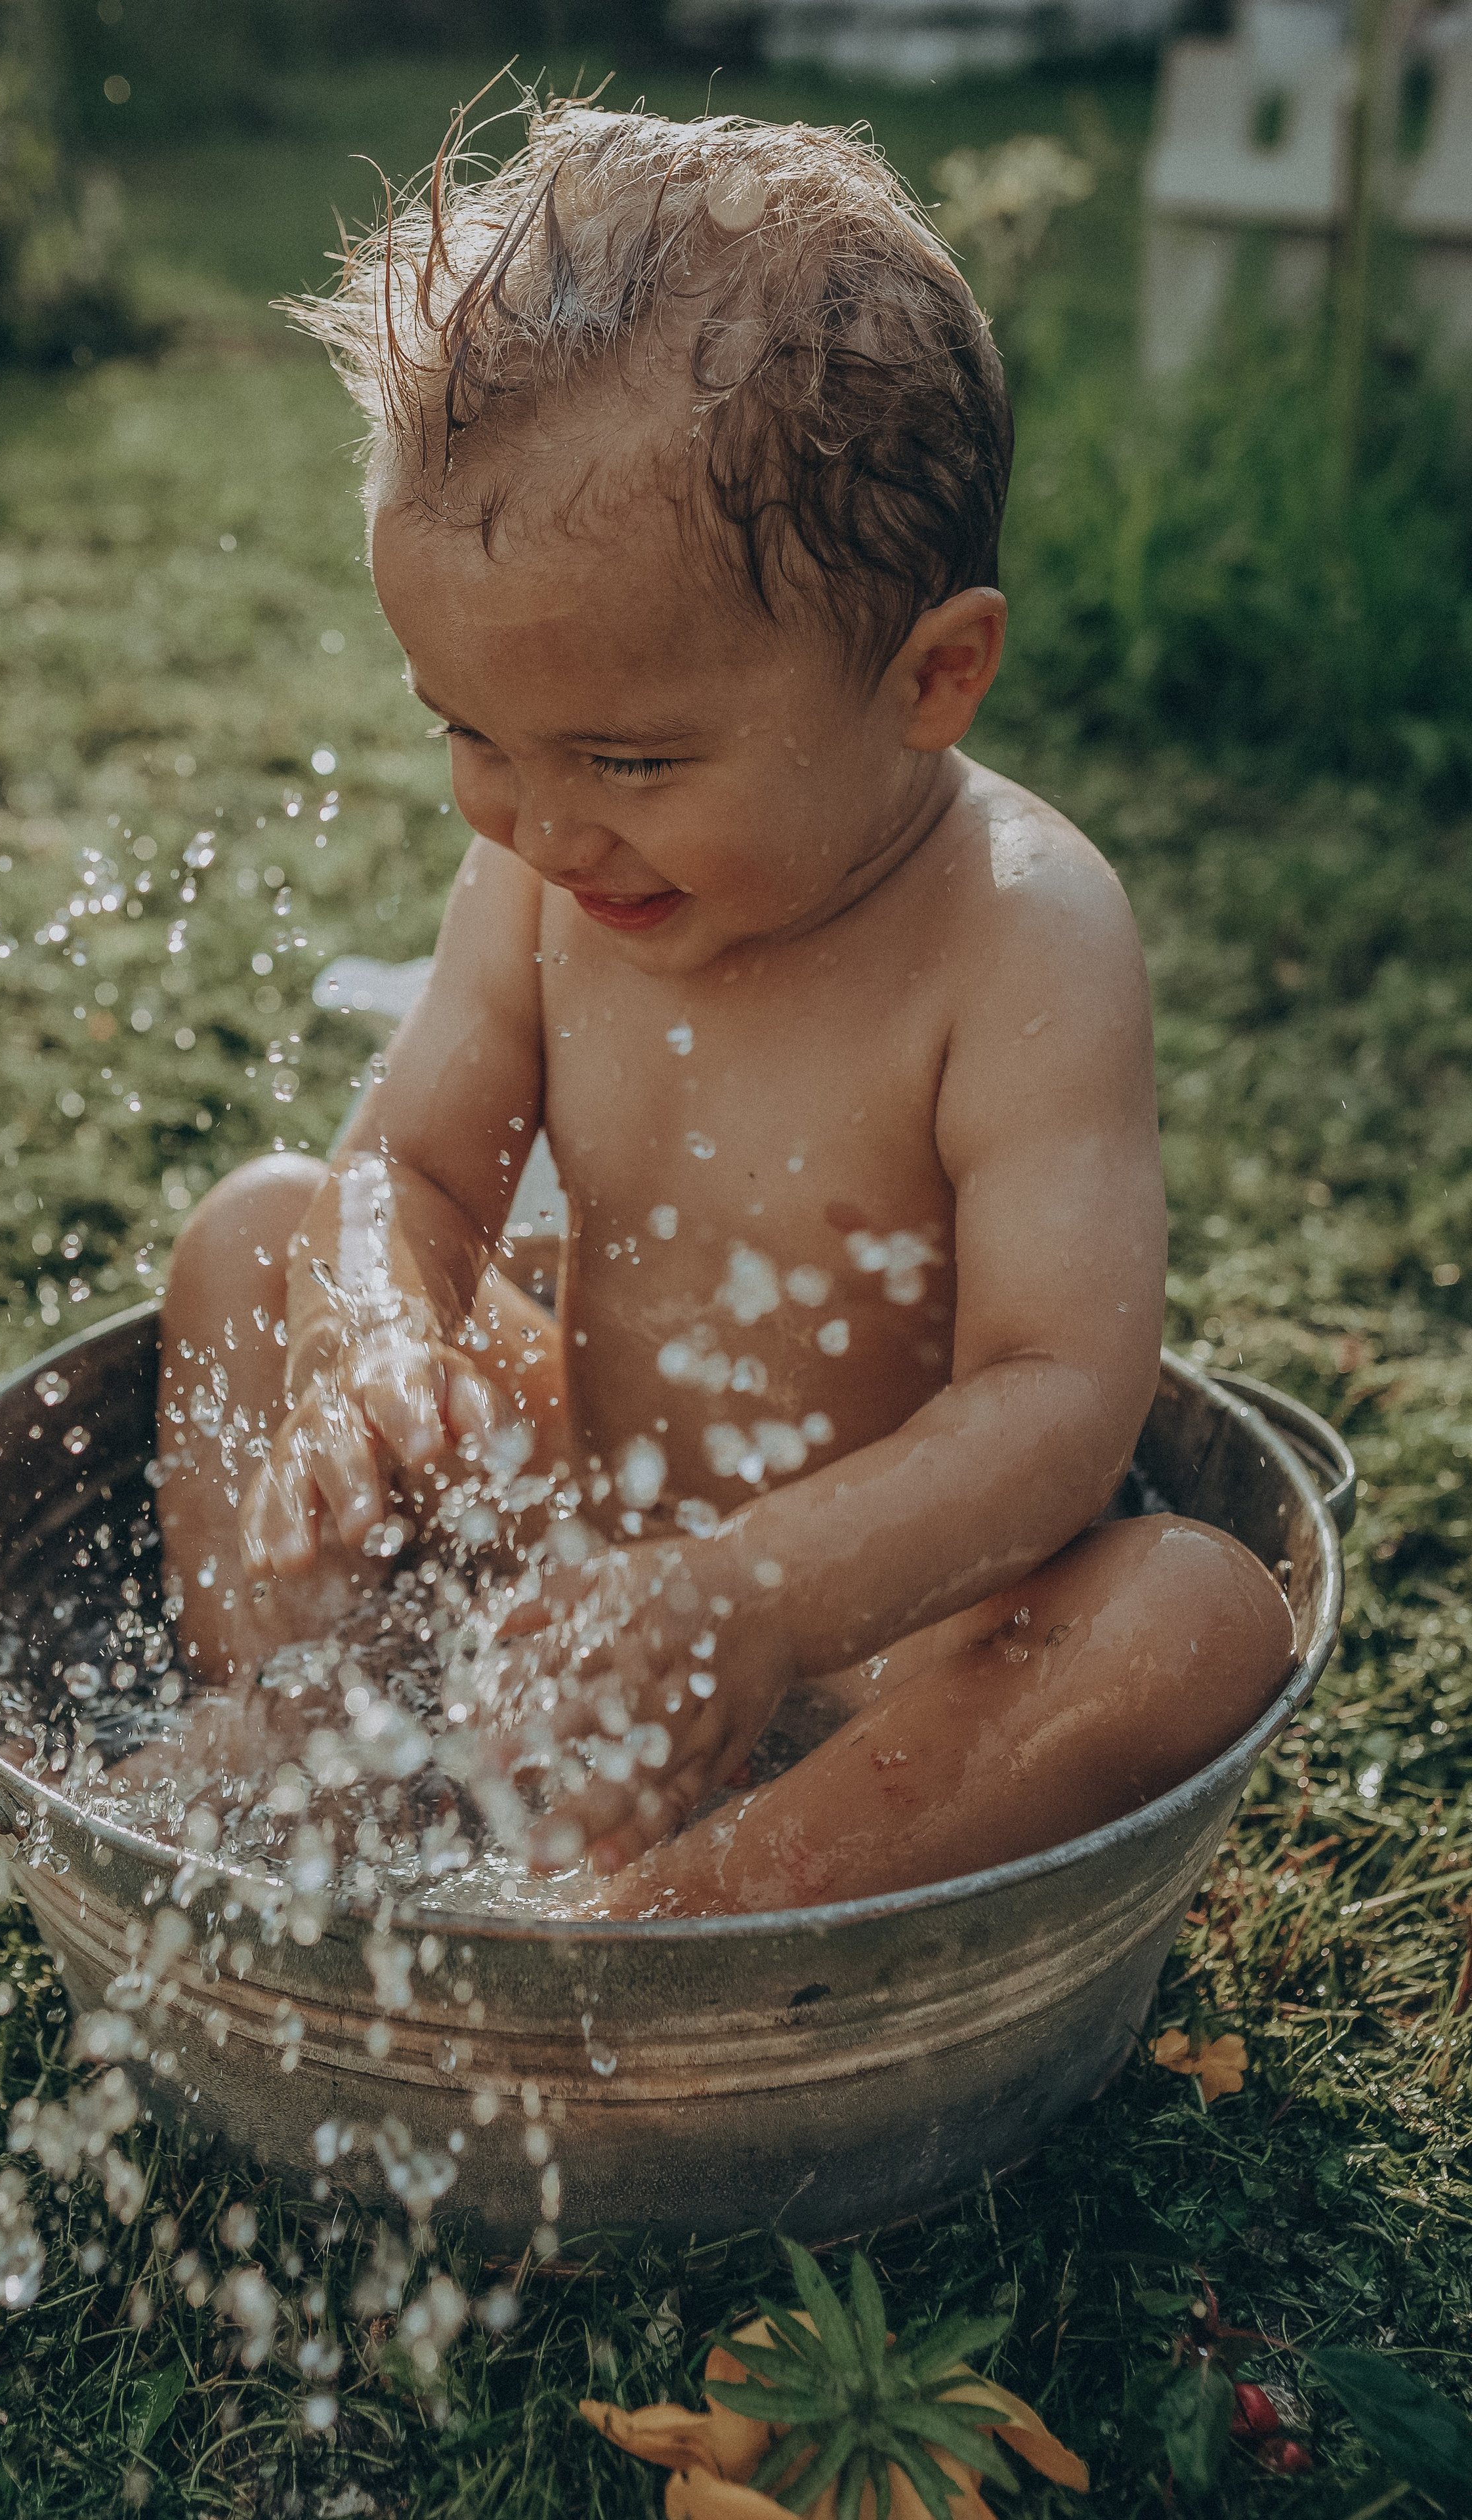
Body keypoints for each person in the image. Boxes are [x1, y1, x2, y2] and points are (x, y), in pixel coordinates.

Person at [154, 98, 1294, 1916]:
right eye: (470, 736)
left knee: (1192, 1617)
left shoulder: (1021, 939)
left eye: (628, 754)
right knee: (262, 1232)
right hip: (587, 1525)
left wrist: (758, 1598)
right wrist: (379, 1345)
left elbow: (1063, 1389)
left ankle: (685, 1924)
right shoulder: (552, 861)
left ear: (934, 675)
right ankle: (313, 1746)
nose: (534, 819)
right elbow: (417, 1174)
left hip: (902, 1628)